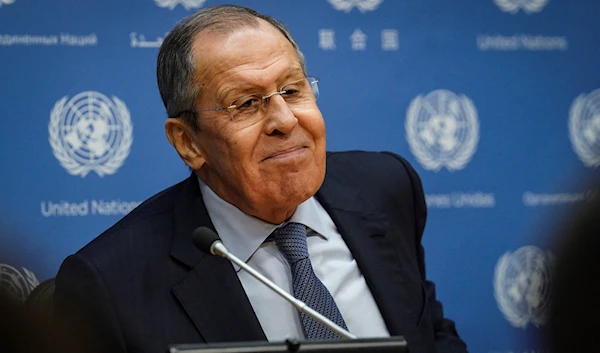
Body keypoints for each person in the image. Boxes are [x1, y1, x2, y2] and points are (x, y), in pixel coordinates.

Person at [53, 5, 467, 353]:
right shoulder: (111, 284)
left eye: (291, 91)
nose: (284, 121)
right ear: (187, 142)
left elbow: (432, 335)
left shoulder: (386, 188)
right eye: (246, 104)